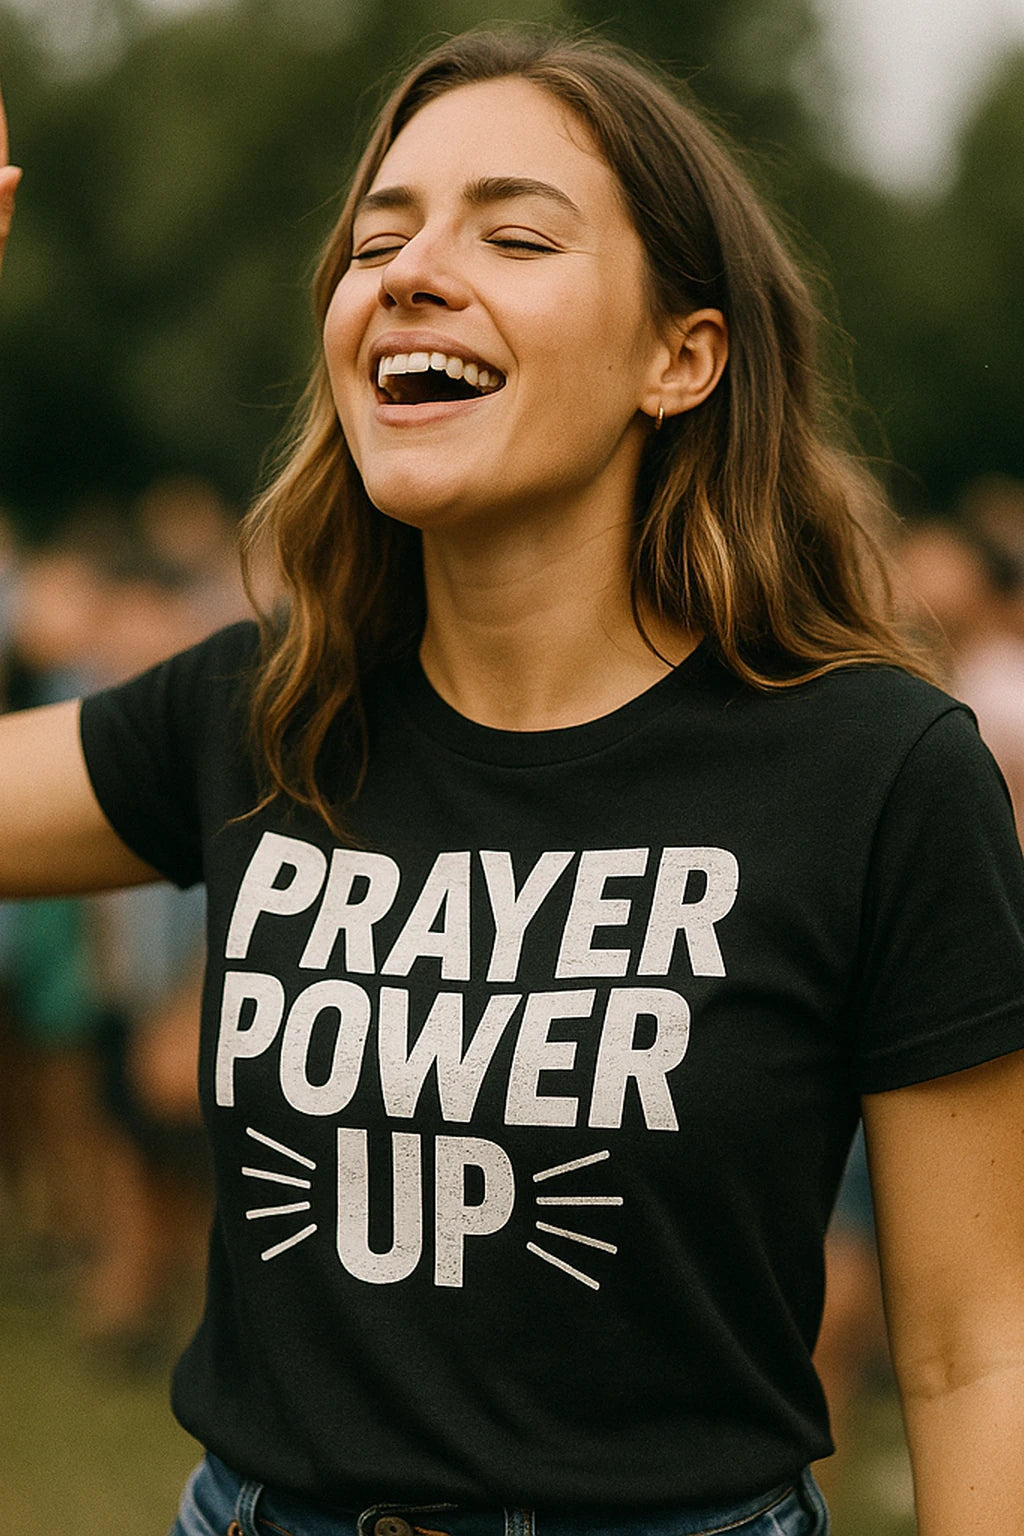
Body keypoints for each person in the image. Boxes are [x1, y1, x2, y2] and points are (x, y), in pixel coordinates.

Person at [2, 28, 1024, 1536]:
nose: (409, 271)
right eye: (376, 239)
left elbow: (972, 1348)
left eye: (515, 232)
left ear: (682, 355)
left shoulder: (878, 771)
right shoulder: (262, 707)